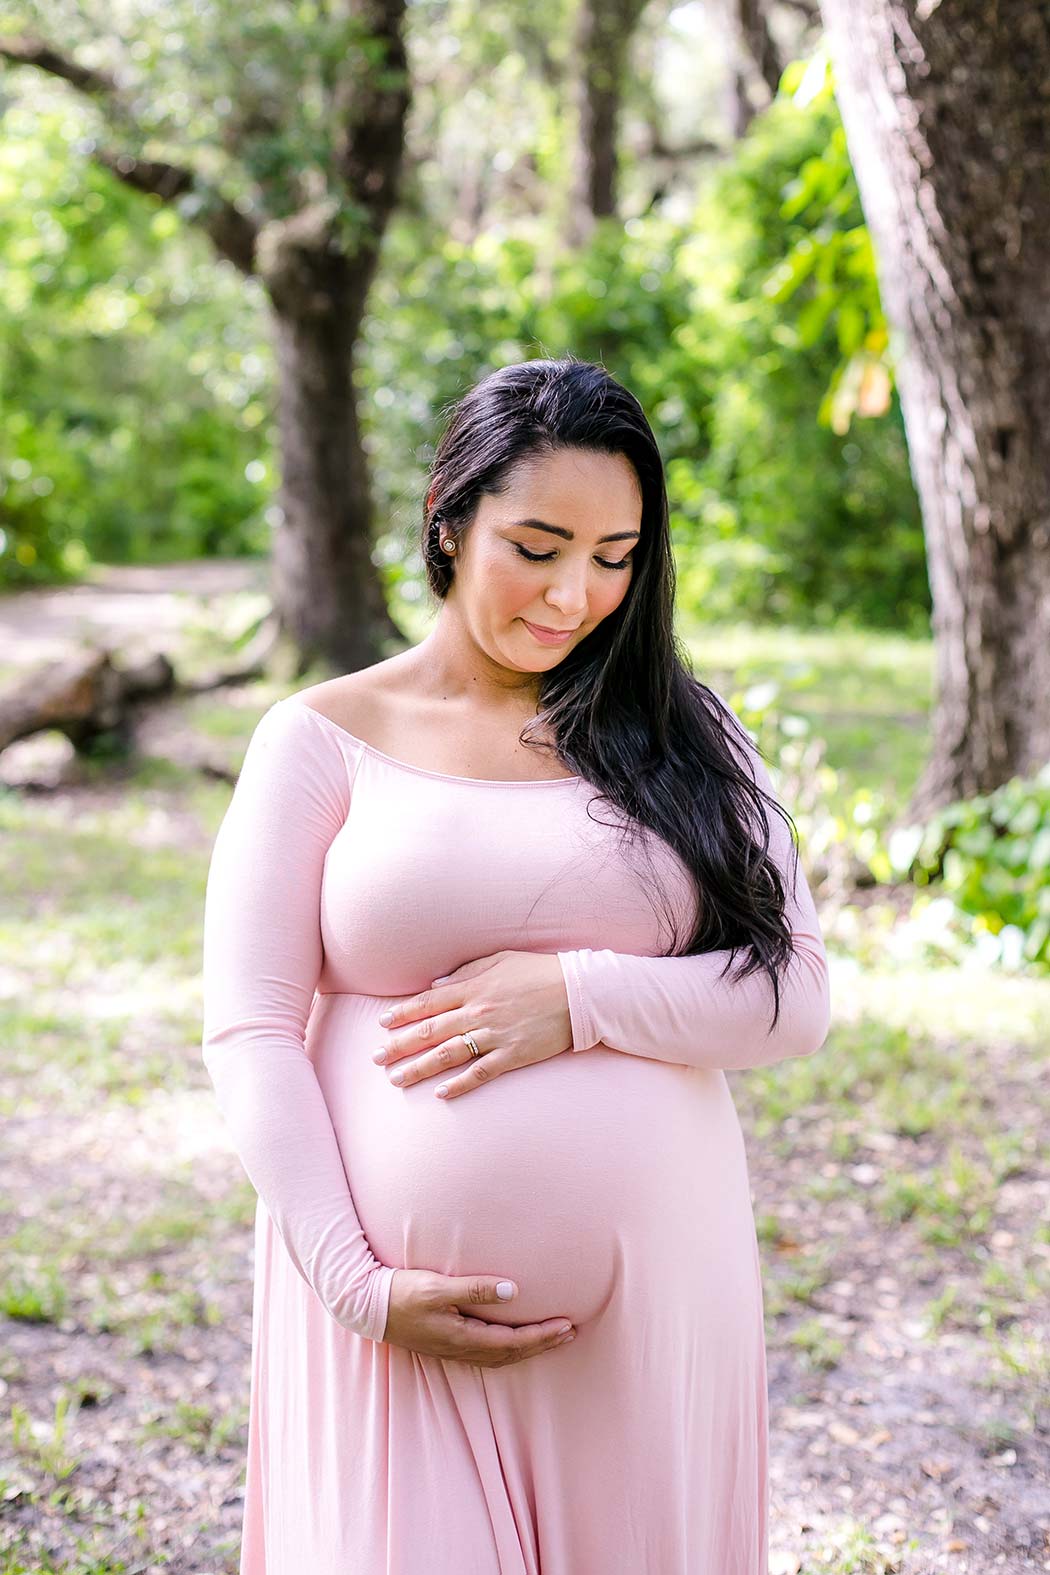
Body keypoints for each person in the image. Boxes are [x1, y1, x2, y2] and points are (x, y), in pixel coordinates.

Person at [200, 355, 831, 1574]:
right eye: (536, 546)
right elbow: (251, 1028)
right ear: (449, 518)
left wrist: (580, 999)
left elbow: (795, 997)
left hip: (651, 1316)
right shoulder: (323, 740)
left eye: (616, 555)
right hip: (387, 1320)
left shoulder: (688, 734)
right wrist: (353, 1284)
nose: (576, 595)